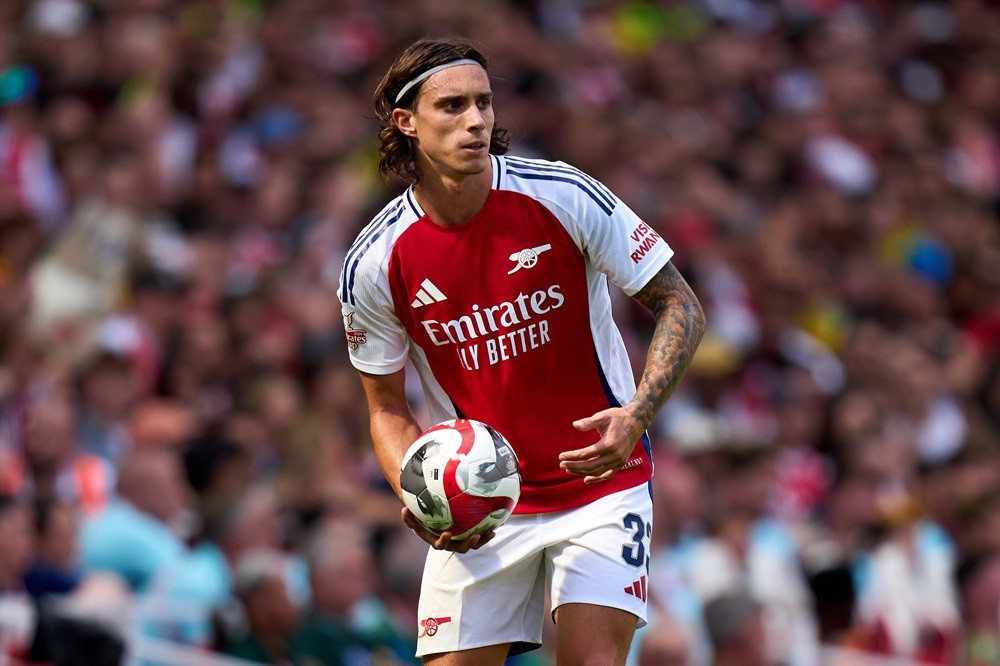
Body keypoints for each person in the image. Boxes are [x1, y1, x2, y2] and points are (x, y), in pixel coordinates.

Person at [338, 37, 705, 665]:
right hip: (480, 506)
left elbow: (682, 306)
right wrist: (414, 492)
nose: (476, 120)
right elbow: (387, 411)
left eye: (483, 102)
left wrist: (636, 415)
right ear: (406, 123)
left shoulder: (563, 196)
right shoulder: (375, 262)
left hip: (600, 484)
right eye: (452, 106)